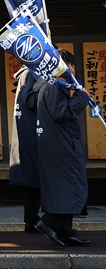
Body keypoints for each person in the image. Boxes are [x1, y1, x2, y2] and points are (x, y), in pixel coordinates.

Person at [33, 50, 91, 247]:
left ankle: (65, 231)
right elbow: (62, 112)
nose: (72, 69)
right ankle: (49, 222)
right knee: (71, 185)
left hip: (57, 143)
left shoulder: (49, 85)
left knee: (65, 186)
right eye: (69, 65)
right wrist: (81, 97)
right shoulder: (54, 86)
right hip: (63, 145)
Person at [9, 66, 41, 233]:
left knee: (33, 180)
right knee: (36, 178)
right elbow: (29, 100)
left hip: (27, 133)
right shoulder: (31, 73)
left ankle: (32, 220)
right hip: (33, 134)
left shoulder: (27, 73)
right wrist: (49, 88)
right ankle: (35, 220)